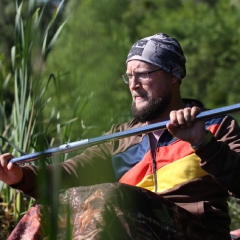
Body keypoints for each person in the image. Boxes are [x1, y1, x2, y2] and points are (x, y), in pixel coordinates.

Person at [1, 33, 240, 240]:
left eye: (143, 74)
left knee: (112, 196)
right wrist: (21, 176)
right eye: (129, 76)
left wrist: (202, 142)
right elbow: (71, 174)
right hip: (132, 228)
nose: (133, 85)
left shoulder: (216, 126)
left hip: (197, 232)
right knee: (45, 212)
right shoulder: (120, 138)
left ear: (173, 75)